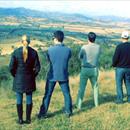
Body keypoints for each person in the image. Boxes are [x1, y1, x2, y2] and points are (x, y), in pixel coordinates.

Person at [38, 30, 72, 118]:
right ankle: (68, 112)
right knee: (66, 94)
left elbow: (49, 61)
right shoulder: (68, 50)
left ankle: (42, 114)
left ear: (56, 39)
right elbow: (68, 59)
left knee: (48, 94)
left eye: (53, 38)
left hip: (52, 75)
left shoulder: (50, 50)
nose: (53, 40)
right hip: (63, 75)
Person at [9, 35, 41, 124]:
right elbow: (38, 67)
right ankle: (28, 119)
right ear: (29, 42)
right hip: (29, 79)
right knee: (29, 98)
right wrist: (32, 76)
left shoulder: (15, 52)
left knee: (19, 99)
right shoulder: (34, 52)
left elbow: (11, 67)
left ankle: (20, 119)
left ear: (21, 41)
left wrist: (15, 76)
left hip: (18, 79)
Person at [76, 32, 101, 110]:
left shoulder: (84, 47)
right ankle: (96, 104)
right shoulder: (98, 47)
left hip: (85, 69)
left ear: (88, 38)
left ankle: (79, 105)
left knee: (82, 88)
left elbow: (79, 56)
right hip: (94, 69)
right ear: (95, 39)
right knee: (95, 87)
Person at [112, 31, 130, 104]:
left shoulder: (119, 47)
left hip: (120, 68)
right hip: (129, 68)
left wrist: (114, 64)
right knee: (128, 83)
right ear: (128, 37)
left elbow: (115, 58)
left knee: (119, 84)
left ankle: (120, 100)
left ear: (122, 37)